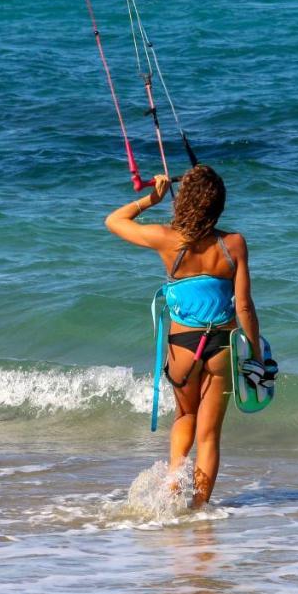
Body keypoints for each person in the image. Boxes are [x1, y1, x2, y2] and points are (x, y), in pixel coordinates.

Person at [105, 166, 265, 508]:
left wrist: (152, 197)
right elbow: (246, 308)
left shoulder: (167, 239)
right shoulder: (234, 244)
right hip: (221, 347)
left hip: (182, 348)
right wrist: (256, 354)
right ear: (218, 205)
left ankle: (175, 480)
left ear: (185, 202)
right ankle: (199, 511)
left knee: (184, 417)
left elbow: (114, 221)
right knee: (209, 437)